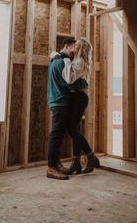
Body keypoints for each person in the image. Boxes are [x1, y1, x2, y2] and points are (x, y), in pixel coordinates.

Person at [56, 38, 100, 175]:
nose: (74, 45)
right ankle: (76, 162)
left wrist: (66, 60)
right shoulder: (77, 60)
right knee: (75, 129)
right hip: (76, 98)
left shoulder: (79, 62)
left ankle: (90, 156)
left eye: (77, 45)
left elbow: (69, 79)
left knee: (71, 129)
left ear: (81, 48)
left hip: (80, 98)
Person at [46, 37, 87, 180]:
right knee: (56, 135)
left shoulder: (55, 60)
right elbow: (69, 83)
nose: (75, 51)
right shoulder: (63, 62)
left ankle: (56, 164)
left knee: (59, 134)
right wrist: (83, 84)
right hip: (59, 102)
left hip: (57, 101)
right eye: (74, 47)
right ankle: (51, 167)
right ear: (68, 46)